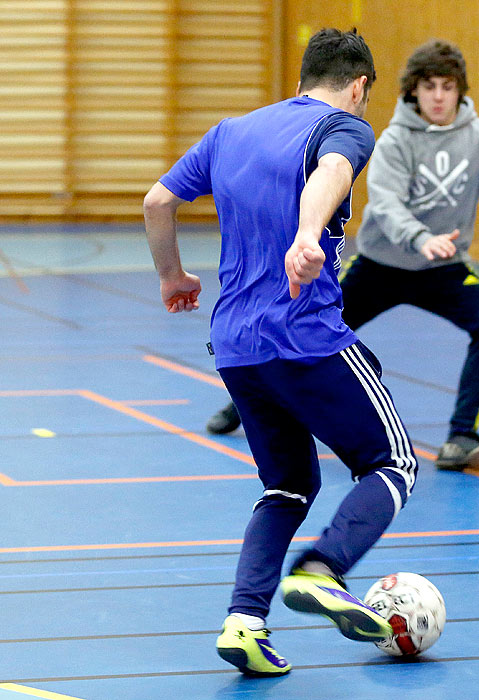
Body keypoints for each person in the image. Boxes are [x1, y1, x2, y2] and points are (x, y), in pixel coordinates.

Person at [206, 39, 479, 472]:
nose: (440, 97)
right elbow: (385, 205)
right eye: (430, 87)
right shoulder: (393, 141)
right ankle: (244, 406)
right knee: (299, 328)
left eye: (448, 87)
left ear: (460, 90)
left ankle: (461, 435)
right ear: (414, 92)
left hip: (443, 268)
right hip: (380, 267)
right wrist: (420, 238)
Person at [144, 28, 417, 678]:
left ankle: (244, 623)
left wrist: (171, 278)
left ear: (299, 80)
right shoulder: (344, 127)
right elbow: (330, 172)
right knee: (394, 462)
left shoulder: (230, 131)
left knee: (287, 485)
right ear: (357, 86)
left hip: (235, 347)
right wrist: (304, 235)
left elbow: (157, 202)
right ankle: (322, 572)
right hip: (304, 334)